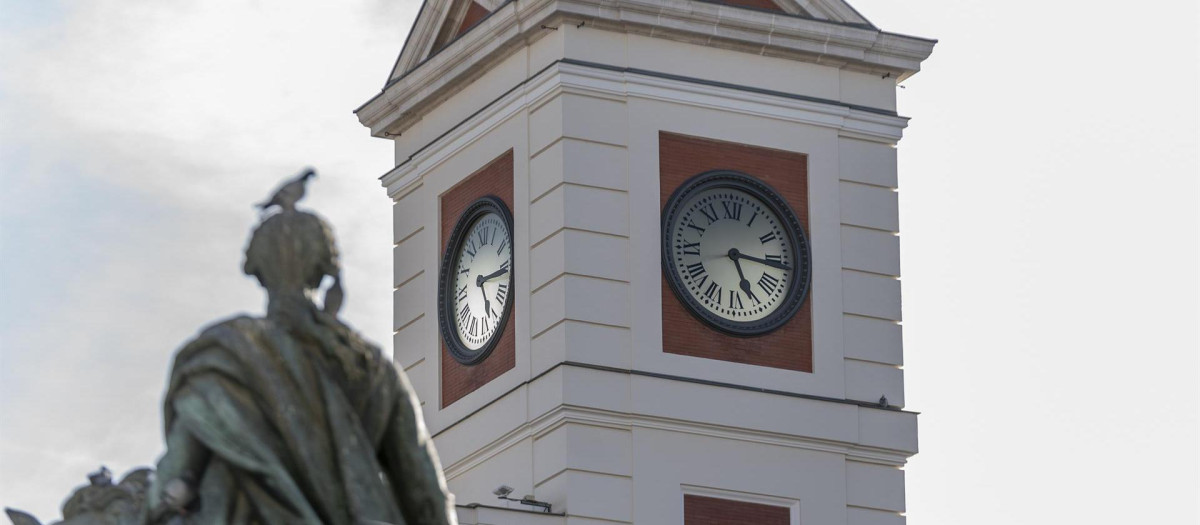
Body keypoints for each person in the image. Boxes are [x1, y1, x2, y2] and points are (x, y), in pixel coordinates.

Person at [148, 207, 456, 525]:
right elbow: (426, 496)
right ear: (325, 267)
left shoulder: (222, 354)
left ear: (254, 268)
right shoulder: (373, 369)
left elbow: (173, 478)